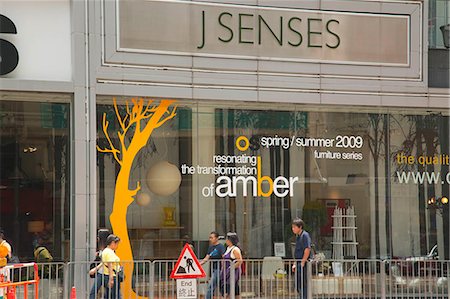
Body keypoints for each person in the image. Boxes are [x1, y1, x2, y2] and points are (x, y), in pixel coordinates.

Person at [200, 231, 225, 299]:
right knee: (221, 287)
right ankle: (226, 296)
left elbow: (224, 258)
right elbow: (206, 258)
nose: (210, 239)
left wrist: (223, 269)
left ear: (216, 238)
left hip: (219, 269)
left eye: (212, 237)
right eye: (210, 238)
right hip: (213, 269)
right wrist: (198, 264)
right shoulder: (210, 247)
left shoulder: (221, 247)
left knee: (211, 286)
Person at [292, 218, 311, 299]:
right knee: (297, 283)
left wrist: (303, 261)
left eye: (294, 227)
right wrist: (295, 263)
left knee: (303, 283)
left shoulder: (305, 235)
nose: (293, 229)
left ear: (300, 227)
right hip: (298, 262)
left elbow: (307, 249)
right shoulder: (298, 237)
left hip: (303, 263)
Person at [220, 232, 243, 299]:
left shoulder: (235, 249)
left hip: (232, 272)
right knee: (235, 289)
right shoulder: (228, 248)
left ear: (230, 240)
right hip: (227, 272)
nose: (226, 241)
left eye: (227, 239)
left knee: (229, 288)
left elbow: (239, 260)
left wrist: (231, 268)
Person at [89, 228, 110, 299]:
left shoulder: (108, 249)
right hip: (100, 274)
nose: (97, 238)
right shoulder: (101, 248)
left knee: (108, 293)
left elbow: (105, 262)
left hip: (107, 273)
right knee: (94, 292)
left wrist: (95, 269)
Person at [102, 234, 122, 299]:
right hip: (112, 275)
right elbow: (110, 265)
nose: (117, 246)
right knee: (115, 295)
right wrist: (111, 279)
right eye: (117, 244)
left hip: (108, 275)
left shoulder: (106, 251)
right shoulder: (109, 252)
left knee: (109, 295)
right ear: (112, 243)